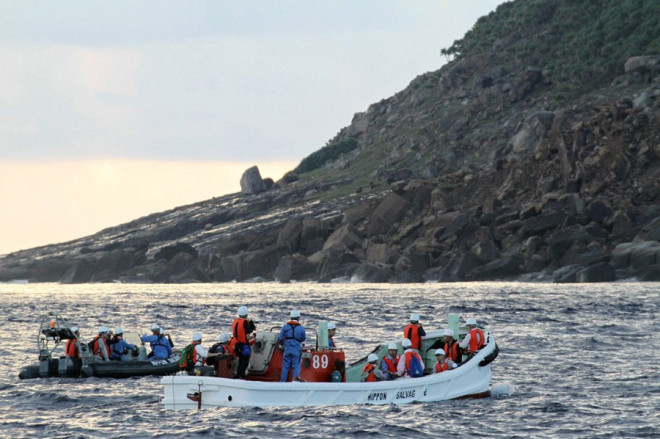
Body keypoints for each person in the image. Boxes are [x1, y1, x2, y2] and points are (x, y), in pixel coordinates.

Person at [278, 309, 306, 382]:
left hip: (287, 349)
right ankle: (295, 382)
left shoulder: (285, 327)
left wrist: (282, 344)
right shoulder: (301, 328)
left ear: (290, 318)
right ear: (298, 318)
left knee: (285, 367)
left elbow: (280, 337)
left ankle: (282, 382)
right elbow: (303, 338)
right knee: (296, 365)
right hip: (296, 350)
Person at [232, 306, 256, 379]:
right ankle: (240, 377)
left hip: (237, 345)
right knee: (244, 363)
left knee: (241, 362)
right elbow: (248, 337)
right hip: (244, 345)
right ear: (246, 314)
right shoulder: (245, 323)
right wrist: (253, 337)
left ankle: (238, 376)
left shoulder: (236, 321)